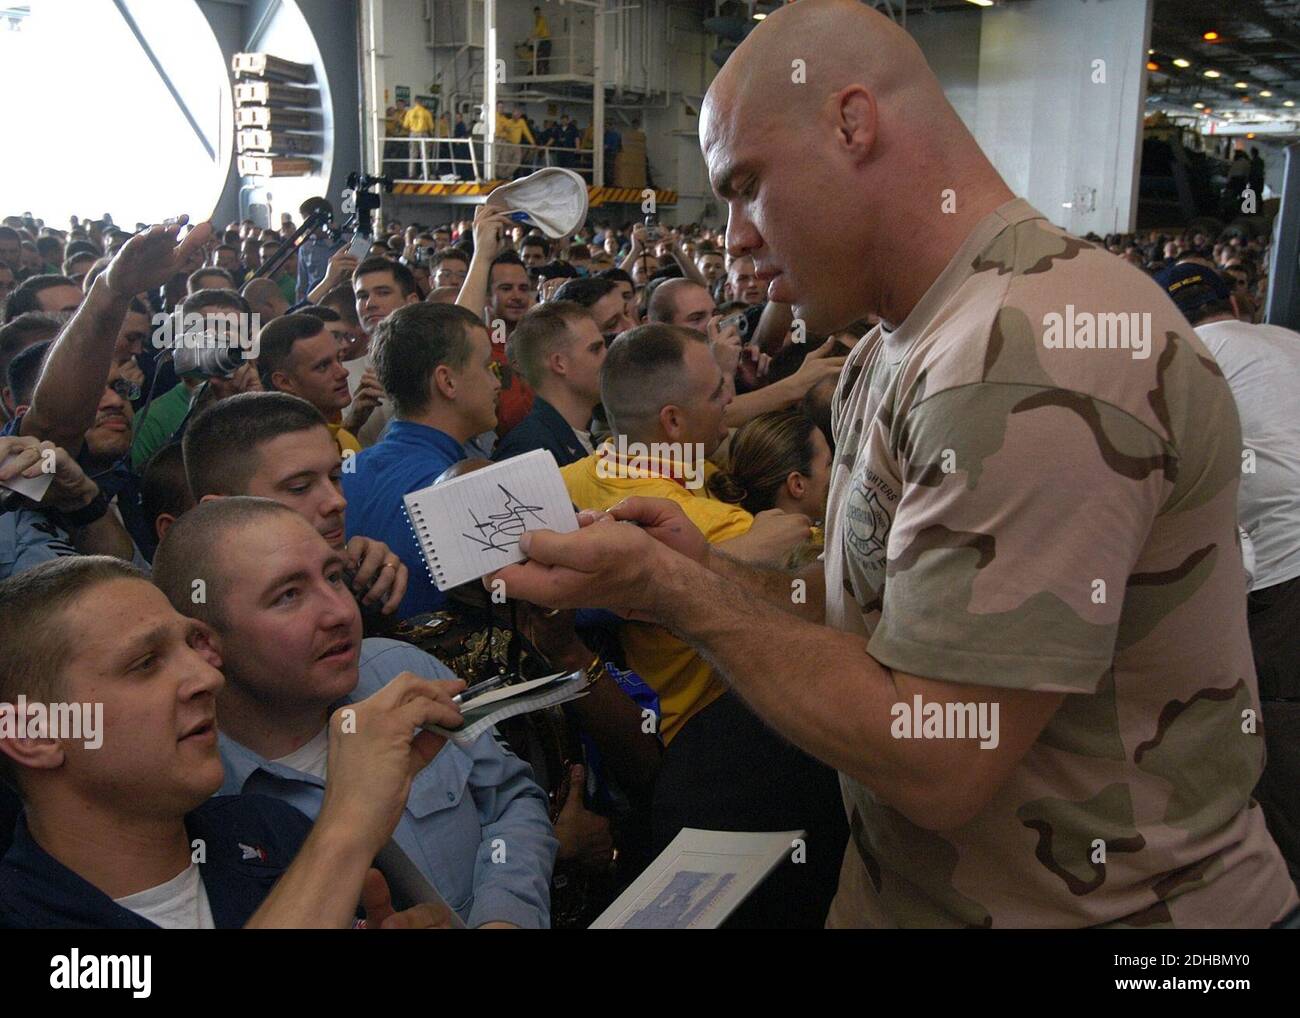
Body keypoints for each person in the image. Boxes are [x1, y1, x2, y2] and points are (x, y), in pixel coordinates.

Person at [490, 0, 1297, 929]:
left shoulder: (1028, 347)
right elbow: (866, 620)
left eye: (746, 183)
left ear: (852, 123)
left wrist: (684, 600)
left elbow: (943, 754)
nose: (733, 238)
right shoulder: (900, 344)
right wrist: (693, 567)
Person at [0, 555, 466, 928]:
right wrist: (347, 825)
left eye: (190, 646)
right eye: (145, 663)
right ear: (32, 733)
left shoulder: (266, 832)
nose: (207, 677)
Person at [152, 498, 557, 927]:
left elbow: (509, 801)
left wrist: (504, 915)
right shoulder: (196, 802)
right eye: (288, 595)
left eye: (334, 577)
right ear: (204, 644)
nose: (341, 612)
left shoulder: (397, 670)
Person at [1157, 262, 1300, 888]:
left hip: (1283, 573)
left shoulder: (1184, 363)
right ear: (1234, 302)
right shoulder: (1286, 338)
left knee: (1286, 748)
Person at [342, 303, 499, 618]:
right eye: (486, 367)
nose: (496, 383)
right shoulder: (473, 491)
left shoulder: (342, 474)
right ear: (447, 382)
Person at [493, 301, 604, 466]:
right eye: (595, 349)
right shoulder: (529, 451)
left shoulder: (574, 436)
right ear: (559, 363)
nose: (608, 357)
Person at [256, 313, 362, 456]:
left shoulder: (347, 441)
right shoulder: (276, 455)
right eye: (323, 366)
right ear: (284, 382)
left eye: (339, 358)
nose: (343, 372)